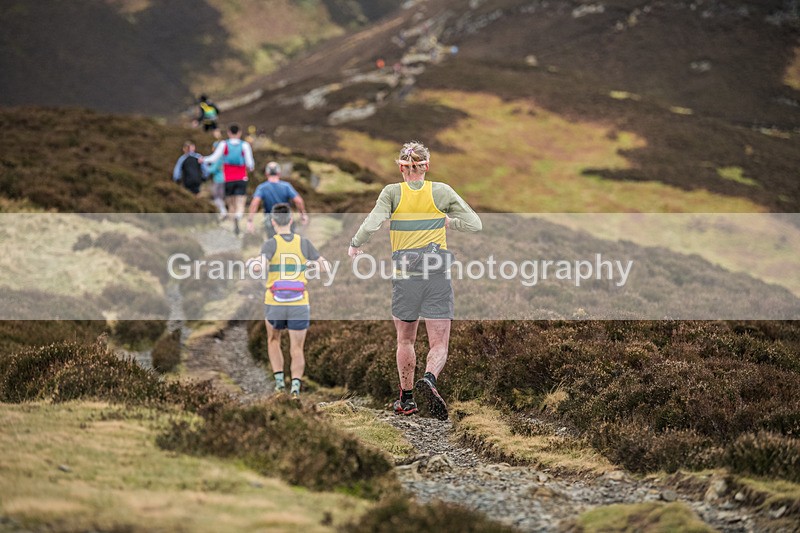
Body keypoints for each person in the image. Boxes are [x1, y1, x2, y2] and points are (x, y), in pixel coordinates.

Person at [348, 141, 482, 420]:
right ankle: (430, 379)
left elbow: (373, 222)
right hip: (437, 277)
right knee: (439, 344)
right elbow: (474, 223)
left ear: (401, 168)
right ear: (426, 167)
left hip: (405, 277)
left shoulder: (391, 193)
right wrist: (449, 222)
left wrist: (355, 244)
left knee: (405, 340)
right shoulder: (441, 191)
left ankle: (407, 399)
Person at [246, 203, 329, 398]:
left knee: (273, 340)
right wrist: (308, 266)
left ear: (273, 222)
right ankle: (296, 388)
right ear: (291, 221)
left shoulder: (270, 244)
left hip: (274, 302)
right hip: (299, 302)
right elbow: (324, 266)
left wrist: (253, 264)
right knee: (297, 347)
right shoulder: (304, 243)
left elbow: (260, 267)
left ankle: (279, 384)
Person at [201, 124, 254, 235]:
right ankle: (238, 217)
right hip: (241, 178)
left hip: (228, 178)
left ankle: (233, 224)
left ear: (229, 133)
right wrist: (249, 168)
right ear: (239, 133)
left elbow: (214, 157)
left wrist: (203, 159)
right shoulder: (245, 145)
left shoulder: (223, 144)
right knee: (240, 202)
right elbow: (250, 163)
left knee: (231, 204)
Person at [247, 161, 308, 238]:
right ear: (279, 173)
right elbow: (298, 201)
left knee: (273, 244)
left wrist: (250, 220)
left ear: (267, 174)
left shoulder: (262, 188)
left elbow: (255, 203)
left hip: (270, 220)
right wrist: (303, 214)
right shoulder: (286, 186)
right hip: (286, 219)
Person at [203, 129, 227, 220]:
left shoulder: (218, 158)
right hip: (226, 179)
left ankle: (223, 212)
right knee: (222, 197)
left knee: (217, 197)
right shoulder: (224, 157)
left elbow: (212, 169)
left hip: (219, 180)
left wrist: (204, 167)